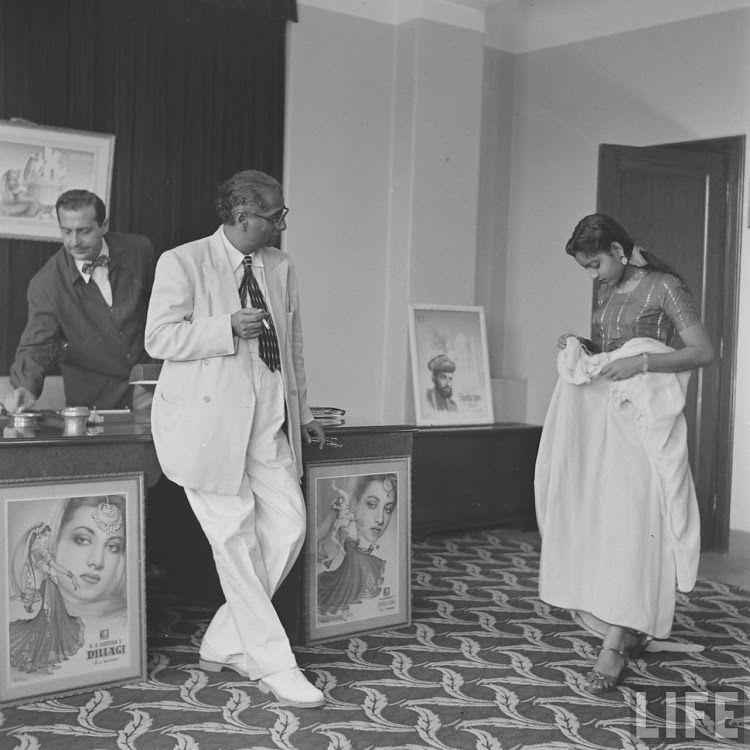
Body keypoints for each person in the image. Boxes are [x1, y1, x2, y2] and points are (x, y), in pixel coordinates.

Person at [145, 169, 326, 708]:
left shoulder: (281, 264)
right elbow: (158, 338)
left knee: (290, 525)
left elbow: (292, 344)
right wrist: (224, 327)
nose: (283, 223)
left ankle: (226, 638)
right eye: (276, 215)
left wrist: (303, 409)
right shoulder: (183, 261)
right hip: (206, 431)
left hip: (267, 424)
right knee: (237, 544)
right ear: (243, 216)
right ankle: (273, 662)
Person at [535, 213, 713, 693]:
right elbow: (614, 350)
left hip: (645, 421)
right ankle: (625, 621)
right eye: (585, 269)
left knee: (638, 521)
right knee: (610, 520)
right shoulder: (609, 290)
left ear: (616, 250)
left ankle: (615, 645)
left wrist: (643, 362)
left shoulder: (664, 287)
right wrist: (581, 345)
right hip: (610, 419)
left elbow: (701, 352)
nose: (592, 275)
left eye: (594, 264)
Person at [3, 189, 154, 413]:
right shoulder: (46, 283)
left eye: (84, 231)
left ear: (104, 225)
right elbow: (37, 343)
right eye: (66, 231)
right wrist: (26, 386)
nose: (74, 242)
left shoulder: (140, 250)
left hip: (151, 388)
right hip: (95, 401)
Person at [9, 522, 85, 675]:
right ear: (40, 535)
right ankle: (47, 662)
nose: (47, 539)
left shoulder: (38, 550)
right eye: (46, 537)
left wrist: (70, 575)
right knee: (49, 620)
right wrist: (58, 574)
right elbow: (49, 568)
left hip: (51, 586)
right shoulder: (38, 550)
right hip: (49, 586)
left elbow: (52, 566)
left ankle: (51, 659)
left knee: (55, 619)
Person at [316, 474, 397, 617]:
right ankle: (345, 606)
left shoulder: (349, 517)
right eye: (371, 505)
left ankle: (351, 607)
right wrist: (339, 548)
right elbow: (334, 535)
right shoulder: (343, 521)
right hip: (350, 550)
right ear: (355, 503)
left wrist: (336, 488)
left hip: (354, 550)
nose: (380, 519)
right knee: (352, 577)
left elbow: (345, 496)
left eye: (388, 509)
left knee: (354, 576)